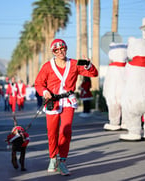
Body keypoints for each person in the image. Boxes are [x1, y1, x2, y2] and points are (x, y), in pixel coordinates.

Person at [34, 39, 98, 176]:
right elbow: (39, 83)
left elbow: (94, 74)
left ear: (66, 49)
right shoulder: (47, 66)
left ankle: (62, 161)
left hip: (68, 101)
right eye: (56, 50)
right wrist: (45, 92)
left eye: (62, 48)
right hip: (53, 102)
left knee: (66, 130)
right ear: (53, 52)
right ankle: (52, 158)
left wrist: (88, 65)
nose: (60, 51)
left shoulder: (75, 63)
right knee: (52, 132)